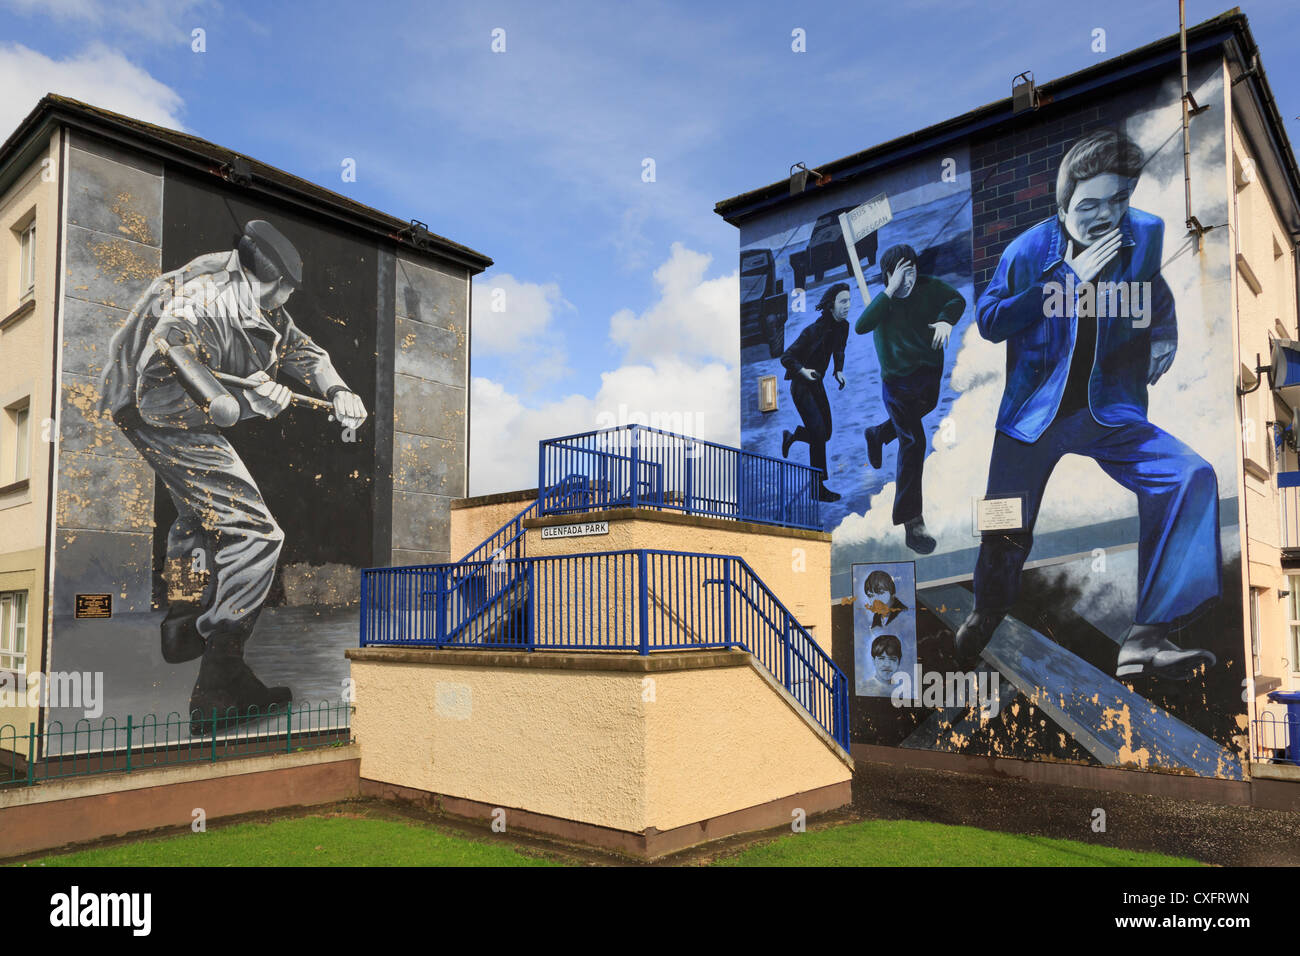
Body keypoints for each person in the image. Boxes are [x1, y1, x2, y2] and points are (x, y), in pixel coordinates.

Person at [954, 129, 1218, 680]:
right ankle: (988, 608)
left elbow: (1155, 291)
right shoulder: (1027, 251)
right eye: (1090, 204)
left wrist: (1164, 336)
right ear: (1063, 204)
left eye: (1118, 200)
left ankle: (1145, 641)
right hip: (1032, 417)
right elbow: (991, 319)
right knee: (1003, 528)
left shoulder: (1143, 235)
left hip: (1107, 410)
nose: (1106, 215)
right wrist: (1067, 281)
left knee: (1191, 476)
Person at [98, 219, 369, 731]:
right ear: (272, 282)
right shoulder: (202, 301)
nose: (286, 301)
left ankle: (181, 623)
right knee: (256, 533)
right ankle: (220, 684)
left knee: (197, 519)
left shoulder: (254, 298)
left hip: (168, 408)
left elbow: (302, 351)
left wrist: (337, 391)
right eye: (286, 291)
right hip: (157, 411)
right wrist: (243, 400)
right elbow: (167, 369)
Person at [855, 243, 965, 553]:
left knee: (924, 410)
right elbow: (862, 326)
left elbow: (956, 299)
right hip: (897, 386)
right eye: (902, 273)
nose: (910, 278)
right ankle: (911, 523)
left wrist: (946, 319)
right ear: (889, 275)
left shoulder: (929, 288)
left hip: (927, 379)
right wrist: (889, 291)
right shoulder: (883, 304)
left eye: (913, 269)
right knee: (913, 441)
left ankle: (878, 433)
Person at [780, 283, 850, 502]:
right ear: (831, 305)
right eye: (843, 301)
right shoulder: (814, 330)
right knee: (819, 433)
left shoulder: (843, 326)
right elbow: (786, 357)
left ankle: (795, 435)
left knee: (826, 433)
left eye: (849, 300)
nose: (847, 306)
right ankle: (818, 487)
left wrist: (838, 370)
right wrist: (802, 370)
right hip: (801, 385)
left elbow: (839, 349)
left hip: (817, 384)